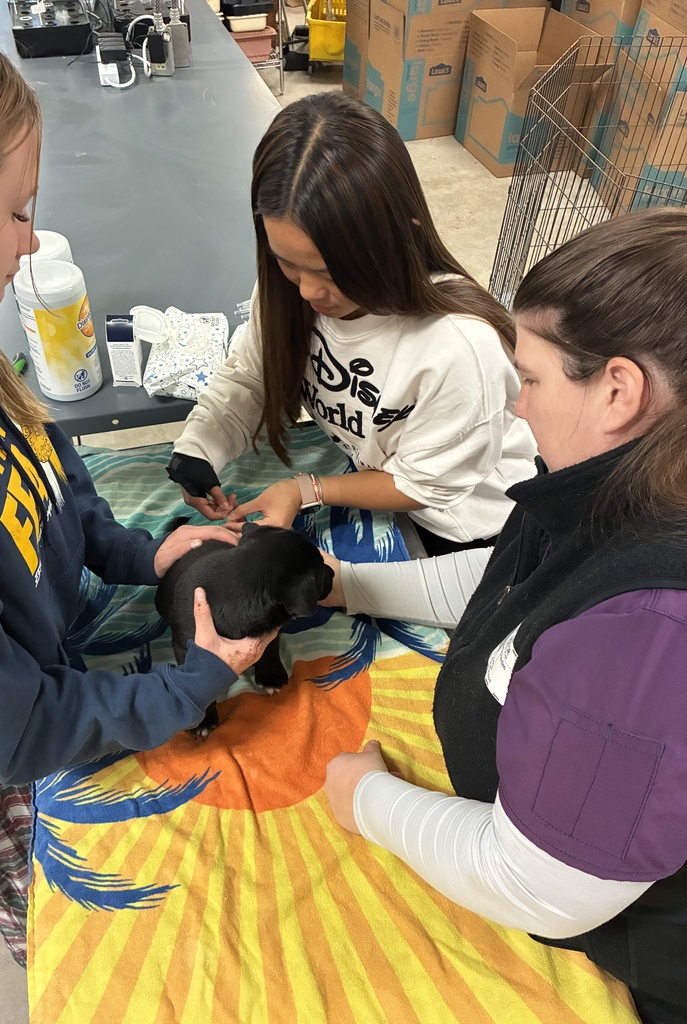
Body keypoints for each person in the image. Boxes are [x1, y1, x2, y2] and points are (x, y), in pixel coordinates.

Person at [0, 6, 276, 969]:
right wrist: (196, 680)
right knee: (61, 928)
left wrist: (133, 551)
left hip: (44, 647)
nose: (34, 242)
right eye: (18, 210)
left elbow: (49, 475)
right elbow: (23, 727)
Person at [324, 208, 687, 1024]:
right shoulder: (607, 475)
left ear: (619, 390)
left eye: (531, 378)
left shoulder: (650, 633)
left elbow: (539, 885)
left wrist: (364, 801)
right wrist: (348, 587)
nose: (518, 407)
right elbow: (509, 592)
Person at [167, 92, 536, 557]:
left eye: (329, 273)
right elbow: (252, 373)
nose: (307, 292)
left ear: (399, 238)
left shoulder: (458, 348)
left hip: (469, 526)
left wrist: (307, 489)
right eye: (287, 263)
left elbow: (423, 486)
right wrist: (199, 446)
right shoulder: (291, 290)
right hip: (384, 489)